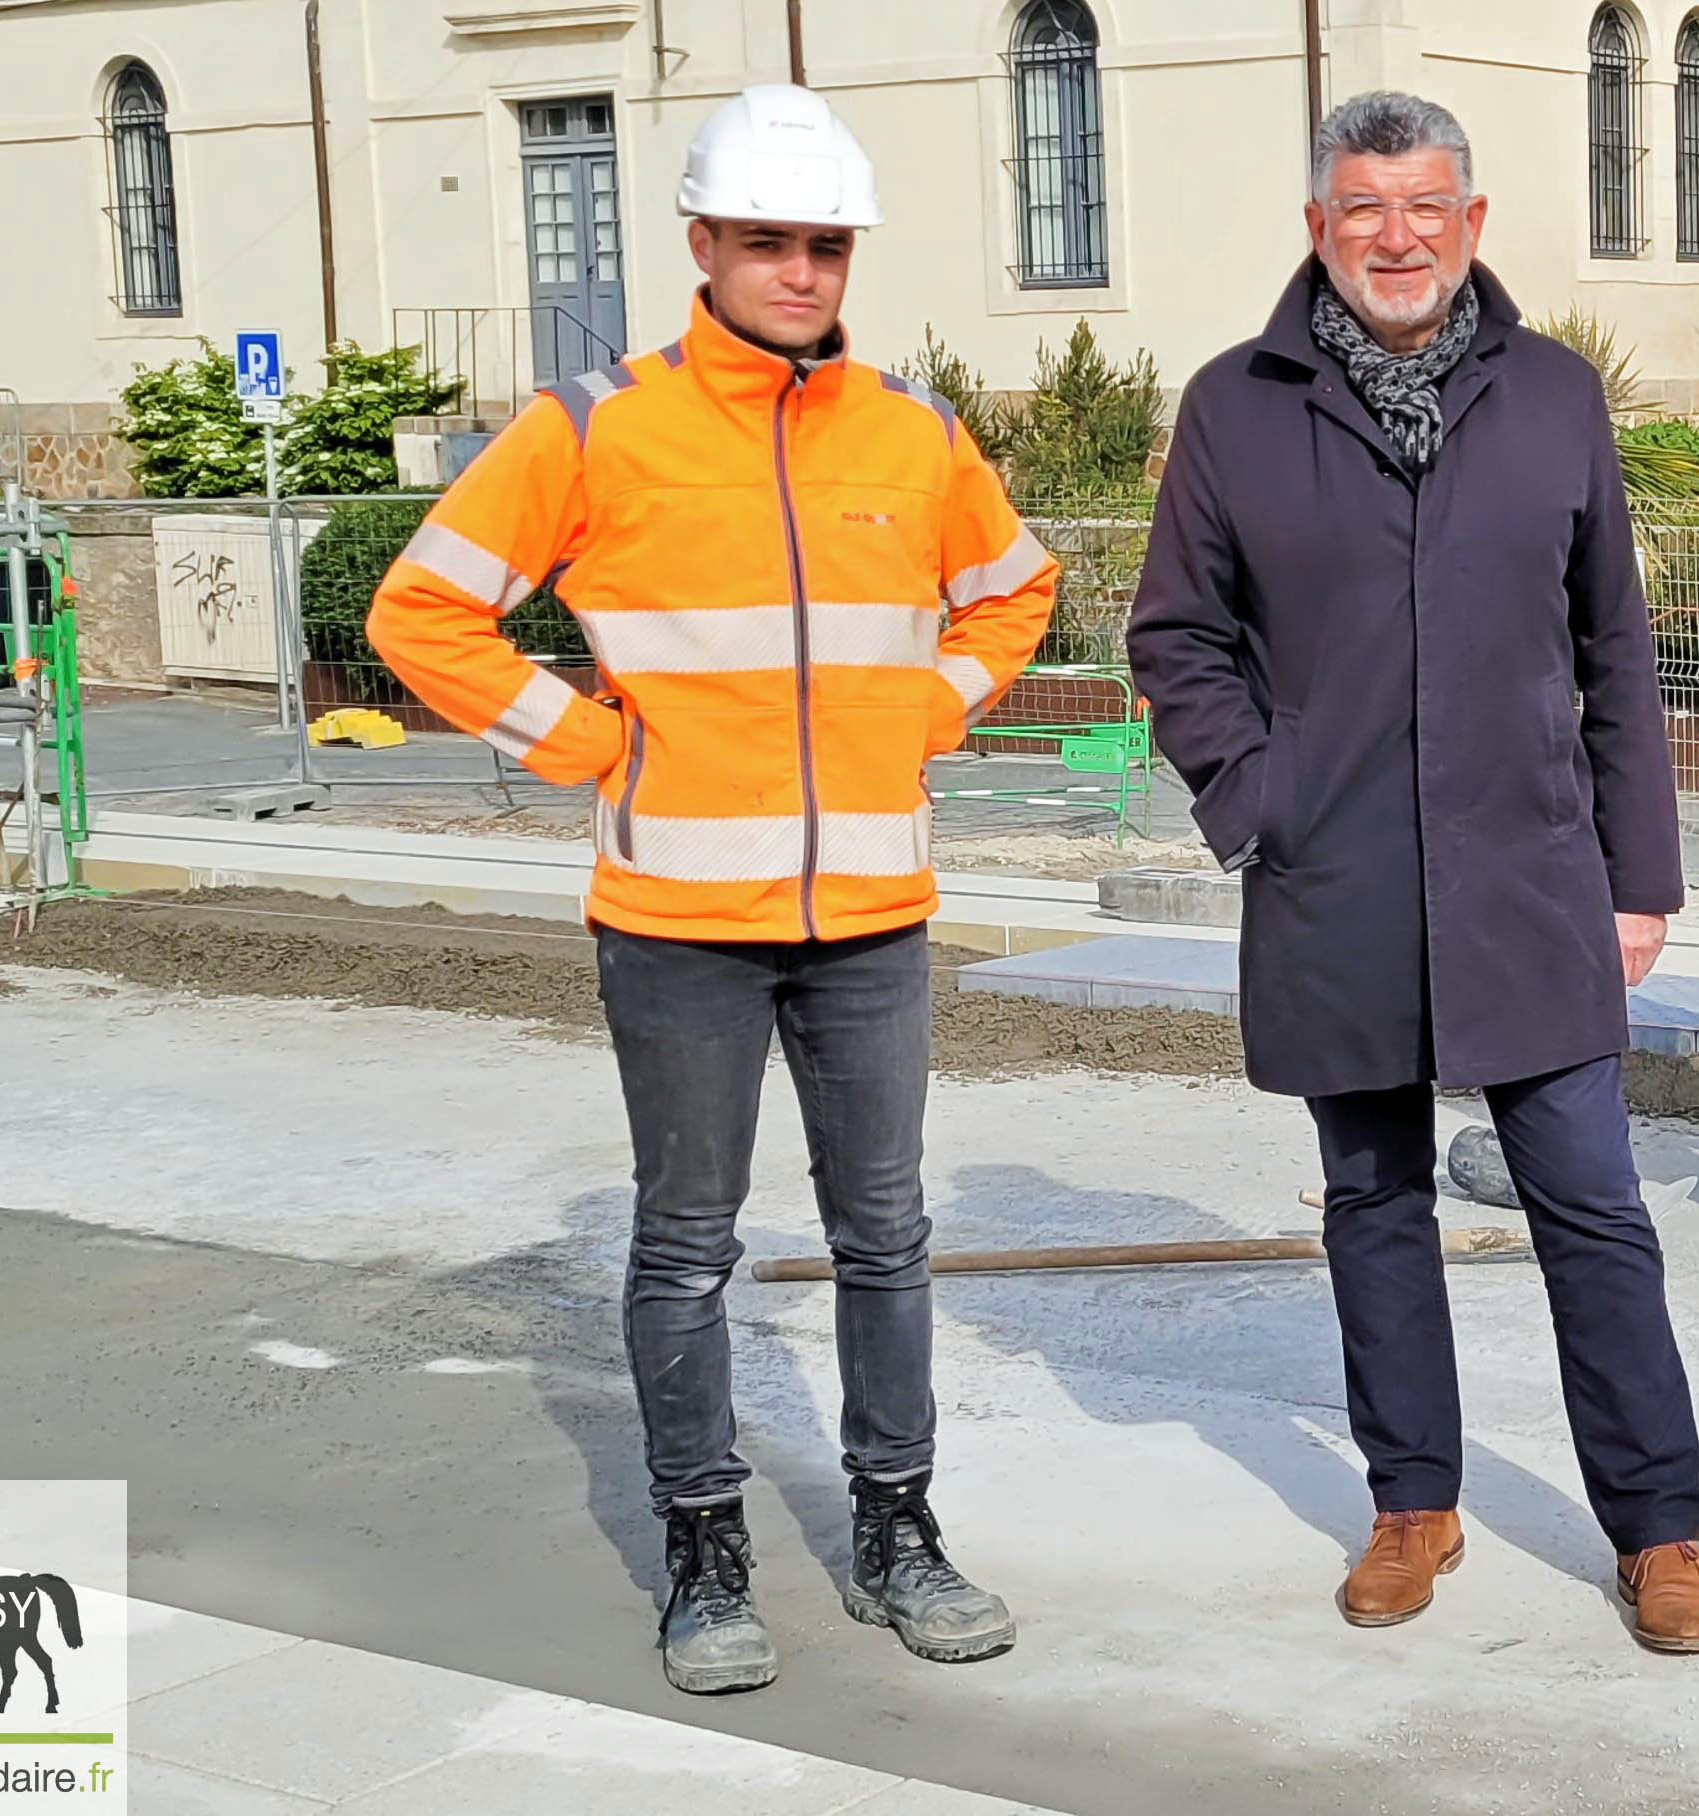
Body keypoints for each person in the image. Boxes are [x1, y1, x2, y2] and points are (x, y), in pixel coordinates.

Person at [367, 83, 1055, 1695]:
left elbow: (1015, 590)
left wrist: (926, 708)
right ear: (701, 244)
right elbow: (424, 612)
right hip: (676, 926)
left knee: (889, 1235)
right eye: (767, 241)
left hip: (872, 919)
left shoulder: (916, 431)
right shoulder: (595, 428)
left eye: (825, 244)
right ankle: (705, 1552)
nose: (801, 271)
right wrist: (590, 743)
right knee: (686, 1244)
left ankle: (899, 1533)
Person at [1125, 92, 1699, 1656]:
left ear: (1471, 222)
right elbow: (1175, 637)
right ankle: (1413, 1502)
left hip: (1530, 873)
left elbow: (1614, 651)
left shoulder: (1553, 398)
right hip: (1336, 880)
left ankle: (1658, 1528)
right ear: (1319, 226)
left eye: (1426, 207)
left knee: (1592, 1203)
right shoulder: (1237, 405)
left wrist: (1636, 876)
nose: (1397, 236)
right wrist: (1261, 799)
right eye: (1364, 208)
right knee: (1373, 1198)